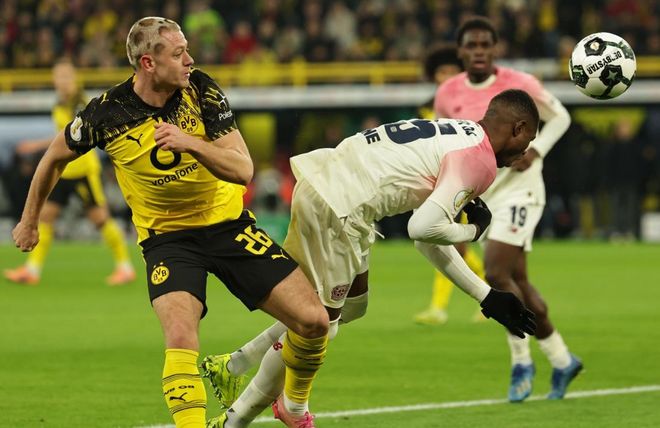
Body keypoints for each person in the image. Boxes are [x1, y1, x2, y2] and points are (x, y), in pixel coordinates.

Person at [11, 17, 330, 428]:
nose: (189, 60)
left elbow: (242, 169)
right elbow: (54, 157)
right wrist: (29, 221)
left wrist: (191, 144)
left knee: (314, 321)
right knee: (180, 338)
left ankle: (292, 407)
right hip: (168, 241)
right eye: (179, 53)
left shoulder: (201, 89)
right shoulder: (106, 112)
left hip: (229, 226)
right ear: (148, 62)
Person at [202, 89, 539, 427]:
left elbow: (427, 239)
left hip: (332, 189)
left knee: (352, 307)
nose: (524, 153)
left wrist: (486, 295)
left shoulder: (458, 131)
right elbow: (422, 228)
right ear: (518, 128)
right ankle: (256, 415)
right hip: (340, 207)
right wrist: (474, 230)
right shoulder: (480, 160)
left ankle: (235, 364)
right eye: (528, 141)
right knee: (318, 326)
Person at [433, 16, 580, 402]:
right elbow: (446, 140)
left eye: (486, 44)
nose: (479, 51)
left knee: (496, 273)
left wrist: (537, 150)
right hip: (484, 194)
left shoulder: (521, 83)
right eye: (472, 45)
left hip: (520, 190)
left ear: (495, 48)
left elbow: (561, 116)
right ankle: (562, 358)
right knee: (519, 283)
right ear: (460, 51)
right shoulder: (448, 92)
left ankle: (521, 362)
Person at [4, 59, 135, 286]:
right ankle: (32, 269)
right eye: (58, 77)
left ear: (74, 78)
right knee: (45, 217)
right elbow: (61, 138)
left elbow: (73, 139)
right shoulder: (60, 103)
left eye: (65, 76)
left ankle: (125, 267)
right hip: (64, 171)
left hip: (83, 170)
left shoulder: (79, 104)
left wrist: (35, 145)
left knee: (100, 219)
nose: (61, 81)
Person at [414, 44, 488, 326]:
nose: (446, 77)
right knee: (454, 245)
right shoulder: (425, 108)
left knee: (444, 241)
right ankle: (493, 291)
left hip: (462, 178)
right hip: (435, 179)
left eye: (451, 72)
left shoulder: (470, 106)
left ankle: (439, 307)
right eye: (441, 72)